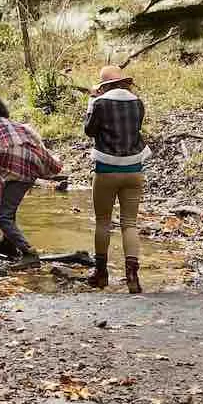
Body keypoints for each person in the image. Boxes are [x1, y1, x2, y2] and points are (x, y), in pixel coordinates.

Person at [0, 96, 63, 260]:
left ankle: (28, 251)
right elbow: (35, 145)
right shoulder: (16, 126)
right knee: (7, 209)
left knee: (3, 216)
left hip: (19, 176)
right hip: (28, 171)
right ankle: (7, 243)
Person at [83, 64, 149, 292]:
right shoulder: (137, 102)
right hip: (135, 169)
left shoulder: (99, 103)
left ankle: (100, 274)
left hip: (106, 169)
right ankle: (132, 276)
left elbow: (89, 131)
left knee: (103, 221)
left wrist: (92, 102)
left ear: (103, 86)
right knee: (129, 224)